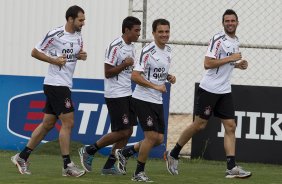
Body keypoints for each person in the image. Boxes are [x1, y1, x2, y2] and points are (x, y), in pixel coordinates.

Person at [164, 9, 252, 179]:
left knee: (231, 126)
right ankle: (173, 154)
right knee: (199, 125)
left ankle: (231, 167)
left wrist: (237, 64)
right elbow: (207, 63)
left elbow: (225, 63)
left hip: (224, 90)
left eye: (233, 20)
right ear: (223, 23)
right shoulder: (217, 39)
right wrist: (231, 58)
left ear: (237, 23)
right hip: (209, 89)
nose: (230, 23)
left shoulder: (236, 40)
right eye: (227, 21)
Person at [11, 5, 87, 177]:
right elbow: (34, 52)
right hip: (55, 84)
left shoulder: (79, 36)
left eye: (84, 19)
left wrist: (79, 56)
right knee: (68, 122)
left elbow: (71, 56)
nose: (83, 23)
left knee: (47, 124)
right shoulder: (55, 34)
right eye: (80, 20)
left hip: (65, 83)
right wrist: (53, 60)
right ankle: (67, 165)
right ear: (70, 19)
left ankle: (22, 157)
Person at [78, 16, 141, 175]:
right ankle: (89, 150)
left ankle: (109, 166)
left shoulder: (132, 47)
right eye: (136, 30)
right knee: (122, 132)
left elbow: (131, 70)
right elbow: (107, 73)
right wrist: (124, 64)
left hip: (128, 92)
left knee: (128, 131)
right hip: (115, 94)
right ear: (127, 30)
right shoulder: (115, 46)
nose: (139, 34)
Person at [115, 18, 176, 182]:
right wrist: (156, 87)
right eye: (161, 32)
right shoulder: (148, 50)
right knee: (150, 137)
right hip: (142, 99)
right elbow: (135, 76)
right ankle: (138, 173)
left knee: (159, 139)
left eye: (167, 31)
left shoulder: (169, 50)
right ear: (154, 33)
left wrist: (168, 77)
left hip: (157, 100)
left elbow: (156, 73)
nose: (164, 35)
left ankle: (126, 152)